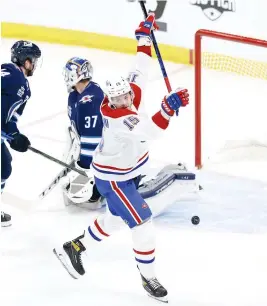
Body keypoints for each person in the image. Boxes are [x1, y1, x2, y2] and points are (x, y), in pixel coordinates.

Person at [1, 40, 42, 227]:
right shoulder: (14, 78)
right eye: (33, 60)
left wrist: (14, 135)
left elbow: (9, 120)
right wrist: (10, 136)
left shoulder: (12, 76)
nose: (34, 64)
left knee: (4, 165)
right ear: (25, 61)